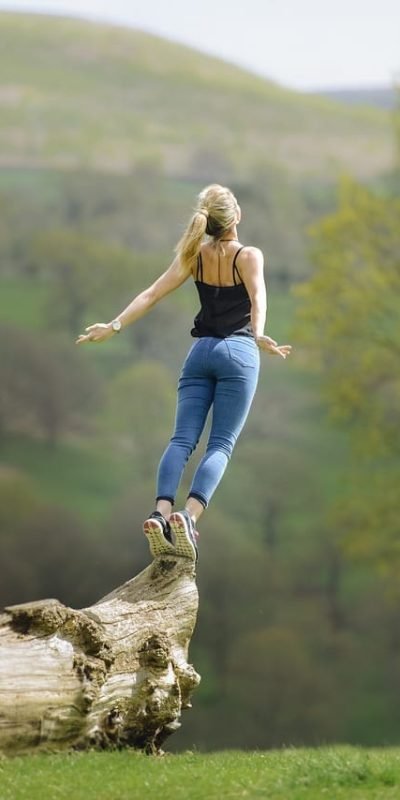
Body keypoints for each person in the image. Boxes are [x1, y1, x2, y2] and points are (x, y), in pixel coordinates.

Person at [76, 184, 291, 562]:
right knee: (220, 444)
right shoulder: (249, 255)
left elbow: (151, 294)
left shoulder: (196, 256)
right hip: (238, 353)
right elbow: (258, 296)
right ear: (236, 217)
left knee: (181, 440)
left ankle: (159, 513)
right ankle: (188, 518)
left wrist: (114, 326)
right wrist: (257, 334)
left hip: (199, 355)